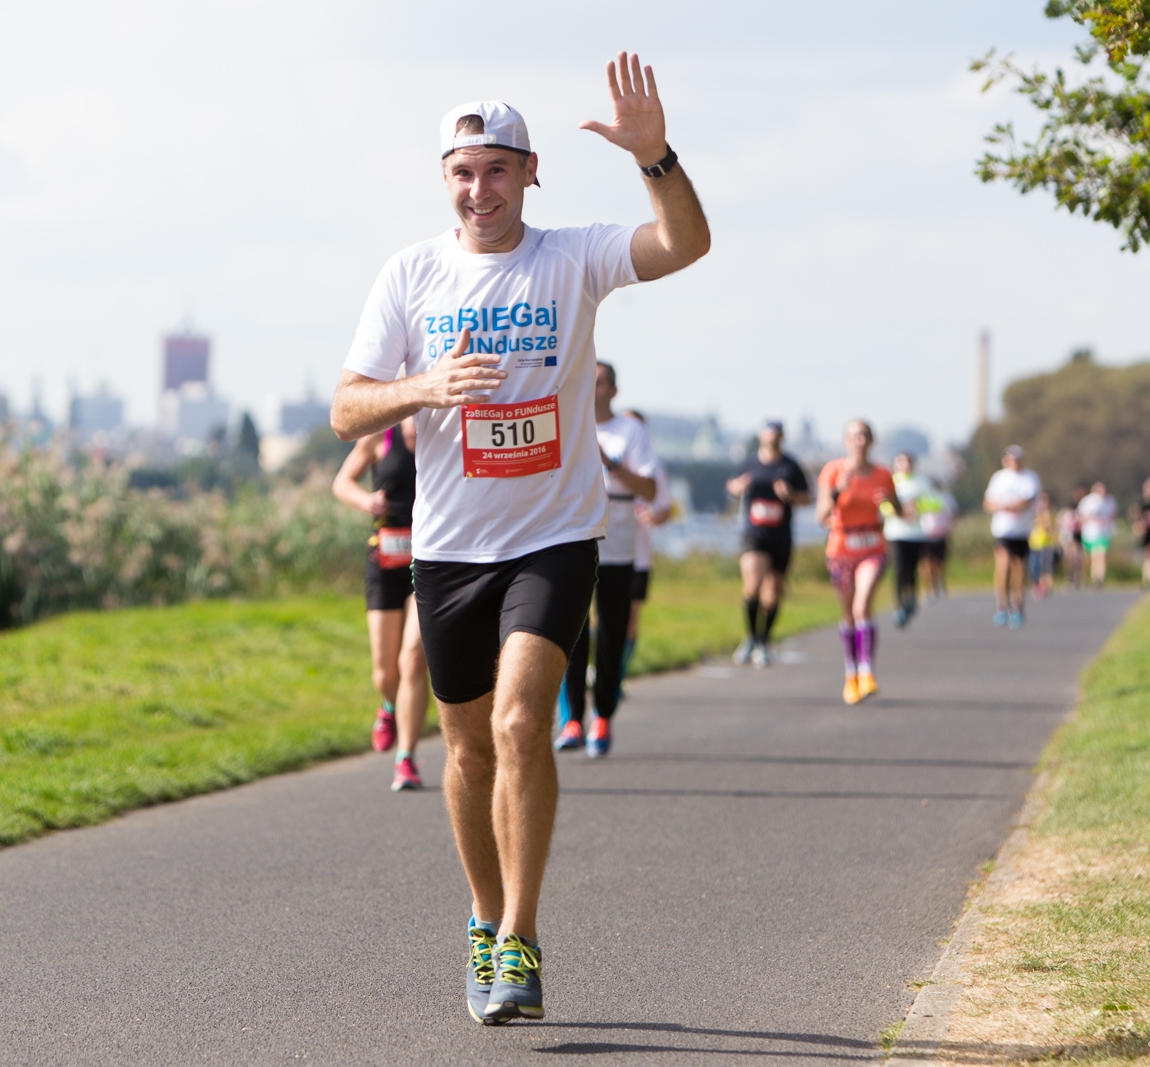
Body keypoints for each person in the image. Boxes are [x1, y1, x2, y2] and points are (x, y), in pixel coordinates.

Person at [328, 55, 710, 1027]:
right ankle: (484, 914)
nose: (479, 189)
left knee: (517, 723)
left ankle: (521, 936)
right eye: (463, 172)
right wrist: (422, 387)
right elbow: (345, 408)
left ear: (532, 172)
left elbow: (686, 243)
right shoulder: (410, 273)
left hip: (555, 536)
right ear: (444, 179)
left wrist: (655, 157)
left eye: (497, 169)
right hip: (450, 548)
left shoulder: (572, 257)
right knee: (465, 750)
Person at [554, 362, 658, 758]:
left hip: (617, 543)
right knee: (571, 630)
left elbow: (649, 488)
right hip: (571, 536)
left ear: (613, 390)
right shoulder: (567, 421)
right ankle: (572, 719)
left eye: (600, 383)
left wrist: (608, 462)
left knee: (612, 633)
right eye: (589, 381)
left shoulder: (631, 431)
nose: (593, 388)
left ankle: (603, 715)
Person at [332, 418, 430, 791]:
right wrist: (367, 501)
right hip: (386, 559)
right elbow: (342, 482)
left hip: (431, 559)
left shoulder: (446, 429)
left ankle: (406, 758)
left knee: (413, 660)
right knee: (385, 675)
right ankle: (390, 706)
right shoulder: (381, 434)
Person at [816, 420, 902, 704]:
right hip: (841, 547)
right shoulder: (832, 471)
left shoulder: (883, 474)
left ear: (871, 440)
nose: (859, 440)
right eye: (853, 436)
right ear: (845, 441)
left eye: (864, 435)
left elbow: (899, 511)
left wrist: (890, 501)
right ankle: (850, 674)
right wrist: (837, 491)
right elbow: (821, 516)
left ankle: (867, 673)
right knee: (848, 615)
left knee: (862, 606)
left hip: (872, 546)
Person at [726, 420, 812, 667]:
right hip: (754, 534)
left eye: (776, 433)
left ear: (782, 437)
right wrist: (737, 488)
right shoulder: (749, 462)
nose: (772, 437)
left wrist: (791, 495)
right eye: (768, 432)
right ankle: (751, 638)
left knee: (773, 594)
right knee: (752, 586)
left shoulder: (790, 466)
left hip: (781, 536)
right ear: (761, 435)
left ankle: (763, 641)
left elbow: (807, 497)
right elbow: (731, 485)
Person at [623, 409, 670, 693]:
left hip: (638, 555)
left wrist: (654, 518)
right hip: (604, 551)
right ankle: (596, 670)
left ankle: (618, 674)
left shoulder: (654, 469)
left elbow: (664, 509)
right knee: (596, 617)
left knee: (631, 616)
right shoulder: (601, 459)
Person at [983, 445, 1042, 627]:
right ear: (1005, 461)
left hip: (1022, 531)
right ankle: (1001, 605)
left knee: (1019, 569)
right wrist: (1004, 505)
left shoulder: (1030, 477)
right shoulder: (998, 478)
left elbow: (1027, 501)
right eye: (1011, 459)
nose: (1014, 462)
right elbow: (988, 503)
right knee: (1003, 565)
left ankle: (1017, 606)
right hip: (1003, 531)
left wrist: (1009, 505)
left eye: (1017, 459)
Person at [883, 452, 934, 628]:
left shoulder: (923, 481)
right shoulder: (891, 481)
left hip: (916, 534)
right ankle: (899, 606)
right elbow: (882, 506)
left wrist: (918, 505)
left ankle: (911, 597)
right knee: (899, 568)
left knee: (911, 569)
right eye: (901, 462)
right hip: (896, 533)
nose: (905, 466)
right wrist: (897, 511)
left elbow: (937, 503)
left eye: (908, 462)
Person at [917, 478, 955, 599]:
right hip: (925, 535)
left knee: (939, 563)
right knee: (925, 563)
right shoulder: (923, 497)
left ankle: (939, 586)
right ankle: (927, 589)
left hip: (941, 534)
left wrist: (950, 528)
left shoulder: (946, 497)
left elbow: (953, 513)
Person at [1076, 481, 1116, 590]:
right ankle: (1094, 577)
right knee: (1094, 557)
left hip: (1103, 533)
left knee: (1101, 555)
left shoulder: (1109, 501)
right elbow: (1080, 516)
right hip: (1090, 534)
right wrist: (1089, 517)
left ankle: (1100, 578)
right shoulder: (1087, 501)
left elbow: (1113, 514)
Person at [1028, 491, 1057, 599]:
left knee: (1046, 567)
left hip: (1047, 544)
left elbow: (1052, 528)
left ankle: (1046, 587)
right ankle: (1038, 586)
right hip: (1034, 543)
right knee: (1035, 567)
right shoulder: (1033, 513)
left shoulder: (1050, 513)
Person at [1059, 484, 1087, 590]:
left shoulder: (1084, 509)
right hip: (1069, 536)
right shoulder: (1067, 512)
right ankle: (1070, 577)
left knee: (1079, 558)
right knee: (1070, 557)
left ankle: (1079, 578)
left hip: (1080, 536)